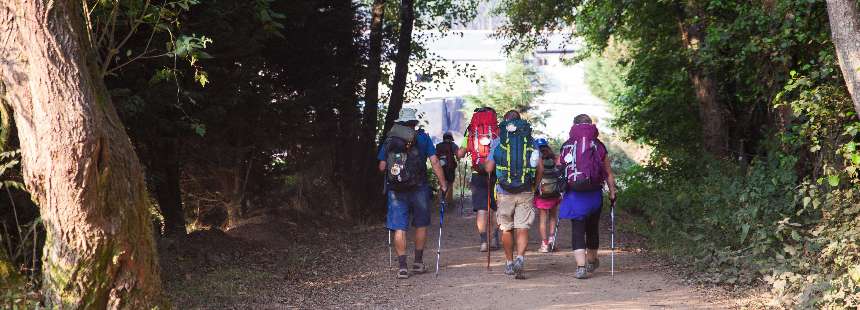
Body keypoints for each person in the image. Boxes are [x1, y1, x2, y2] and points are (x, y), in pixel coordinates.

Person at [378, 108, 449, 279]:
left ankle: (402, 267)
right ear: (414, 123)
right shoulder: (423, 138)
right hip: (419, 187)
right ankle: (418, 263)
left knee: (399, 227)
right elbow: (435, 162)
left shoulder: (390, 139)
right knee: (420, 224)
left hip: (396, 190)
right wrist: (443, 184)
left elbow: (381, 167)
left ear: (400, 122)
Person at [557, 114, 617, 279]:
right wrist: (612, 193)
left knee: (577, 230)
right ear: (591, 125)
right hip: (594, 194)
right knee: (592, 228)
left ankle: (581, 267)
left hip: (574, 194)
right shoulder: (598, 146)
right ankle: (592, 261)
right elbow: (608, 174)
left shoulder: (567, 145)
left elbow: (559, 169)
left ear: (573, 125)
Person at [485, 110, 542, 279]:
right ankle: (520, 258)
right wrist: (535, 186)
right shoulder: (530, 141)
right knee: (522, 227)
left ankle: (509, 264)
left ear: (505, 123)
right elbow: (540, 168)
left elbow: (488, 168)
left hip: (504, 191)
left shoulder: (498, 141)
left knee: (506, 229)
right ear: (520, 122)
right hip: (526, 189)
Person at [457, 108, 500, 252]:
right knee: (495, 207)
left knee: (482, 208)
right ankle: (494, 238)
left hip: (477, 173)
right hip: (496, 173)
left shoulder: (471, 132)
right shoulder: (497, 130)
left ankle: (483, 242)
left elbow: (460, 154)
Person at [533, 138, 561, 253]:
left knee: (543, 220)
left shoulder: (535, 159)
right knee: (553, 217)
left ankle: (544, 245)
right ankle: (551, 242)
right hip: (554, 193)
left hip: (542, 194)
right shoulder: (554, 158)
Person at [435, 132, 458, 205]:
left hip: (440, 167)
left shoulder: (438, 146)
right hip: (450, 167)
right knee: (450, 183)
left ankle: (440, 201)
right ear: (451, 138)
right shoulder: (453, 145)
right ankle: (448, 201)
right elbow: (458, 154)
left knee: (441, 183)